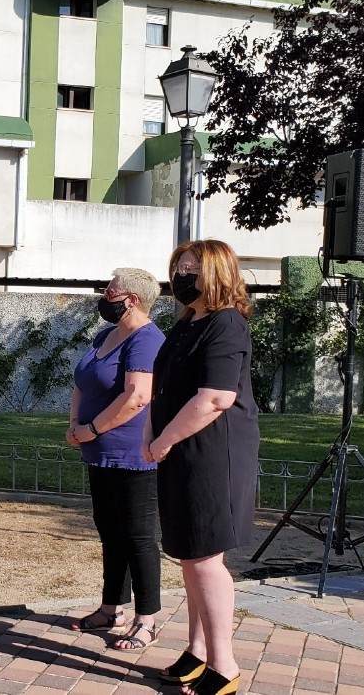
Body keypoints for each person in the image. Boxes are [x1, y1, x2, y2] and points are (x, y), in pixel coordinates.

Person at [145, 240, 258, 695]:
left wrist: (164, 439)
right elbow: (162, 388)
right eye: (179, 268)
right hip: (180, 448)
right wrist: (151, 434)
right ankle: (196, 652)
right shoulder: (187, 322)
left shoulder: (226, 324)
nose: (182, 276)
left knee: (205, 558)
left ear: (217, 273)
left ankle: (224, 667)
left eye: (192, 269)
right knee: (190, 555)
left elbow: (216, 398)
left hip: (212, 453)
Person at [67, 268, 166, 651]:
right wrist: (76, 425)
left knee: (138, 537)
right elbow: (82, 382)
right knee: (110, 531)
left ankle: (147, 620)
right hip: (99, 451)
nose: (104, 296)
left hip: (133, 453)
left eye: (111, 291)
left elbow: (137, 397)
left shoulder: (147, 340)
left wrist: (92, 429)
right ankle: (112, 609)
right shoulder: (105, 336)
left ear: (132, 300)